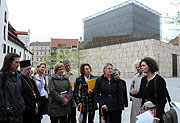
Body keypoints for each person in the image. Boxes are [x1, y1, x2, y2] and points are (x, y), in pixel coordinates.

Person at [130, 57, 167, 123]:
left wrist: (158, 116)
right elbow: (142, 94)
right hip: (144, 111)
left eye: (143, 65)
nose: (142, 67)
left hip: (155, 111)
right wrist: (134, 93)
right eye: (141, 66)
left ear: (150, 66)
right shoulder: (143, 79)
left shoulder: (159, 80)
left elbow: (162, 99)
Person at [0, 53, 25, 123]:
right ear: (9, 63)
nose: (18, 64)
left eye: (19, 62)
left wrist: (22, 105)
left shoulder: (19, 76)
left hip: (19, 112)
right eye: (16, 62)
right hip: (7, 114)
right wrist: (6, 108)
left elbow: (21, 92)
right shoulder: (2, 76)